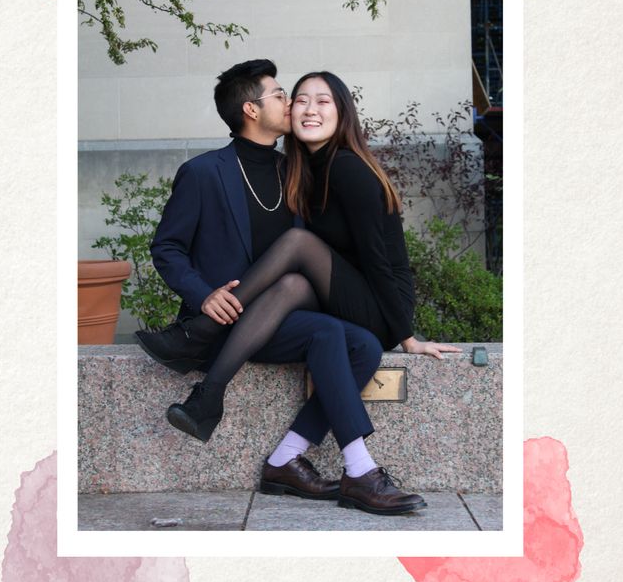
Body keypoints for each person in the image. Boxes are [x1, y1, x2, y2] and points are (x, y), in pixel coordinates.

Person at [141, 59, 426, 514]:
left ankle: (285, 460)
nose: (292, 103)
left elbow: (354, 254)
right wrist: (203, 295)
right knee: (331, 329)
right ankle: (360, 471)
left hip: (280, 319)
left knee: (364, 347)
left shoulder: (295, 171)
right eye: (280, 95)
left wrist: (406, 332)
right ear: (252, 110)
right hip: (226, 318)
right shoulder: (204, 173)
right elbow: (167, 249)